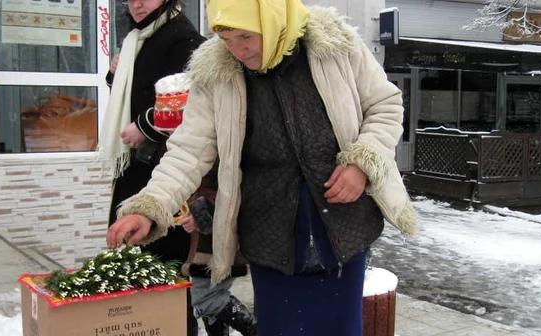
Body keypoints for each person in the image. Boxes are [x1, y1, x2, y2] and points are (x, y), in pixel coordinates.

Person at [107, 1, 418, 335]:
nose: (238, 50)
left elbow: (385, 105)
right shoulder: (217, 72)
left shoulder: (334, 45)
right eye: (225, 38)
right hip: (271, 238)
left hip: (344, 230)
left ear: (272, 18)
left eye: (245, 36)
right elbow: (188, 150)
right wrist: (151, 207)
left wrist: (361, 164)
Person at [98, 0, 204, 335]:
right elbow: (136, 94)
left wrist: (144, 127)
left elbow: (191, 102)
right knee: (138, 264)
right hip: (135, 166)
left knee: (168, 271)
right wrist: (116, 75)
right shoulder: (137, 40)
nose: (137, 4)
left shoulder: (183, 39)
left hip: (167, 171)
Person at [179, 163, 257, 336]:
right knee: (209, 296)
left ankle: (257, 331)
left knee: (206, 297)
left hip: (218, 234)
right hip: (208, 234)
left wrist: (199, 212)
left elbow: (229, 180)